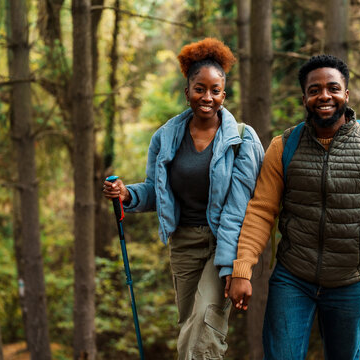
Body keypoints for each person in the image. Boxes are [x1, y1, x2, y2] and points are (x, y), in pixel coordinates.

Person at [227, 54, 360, 359]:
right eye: (314, 89)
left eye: (333, 88)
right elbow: (261, 210)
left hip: (350, 282)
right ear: (305, 97)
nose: (324, 96)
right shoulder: (284, 146)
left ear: (345, 94)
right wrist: (242, 269)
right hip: (293, 278)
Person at [103, 38, 264, 360]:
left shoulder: (242, 140)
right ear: (187, 90)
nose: (208, 97)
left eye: (215, 90)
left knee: (205, 325)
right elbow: (156, 191)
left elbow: (239, 208)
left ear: (224, 94)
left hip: (225, 241)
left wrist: (234, 266)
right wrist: (128, 194)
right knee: (191, 327)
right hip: (183, 244)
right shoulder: (165, 137)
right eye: (199, 88)